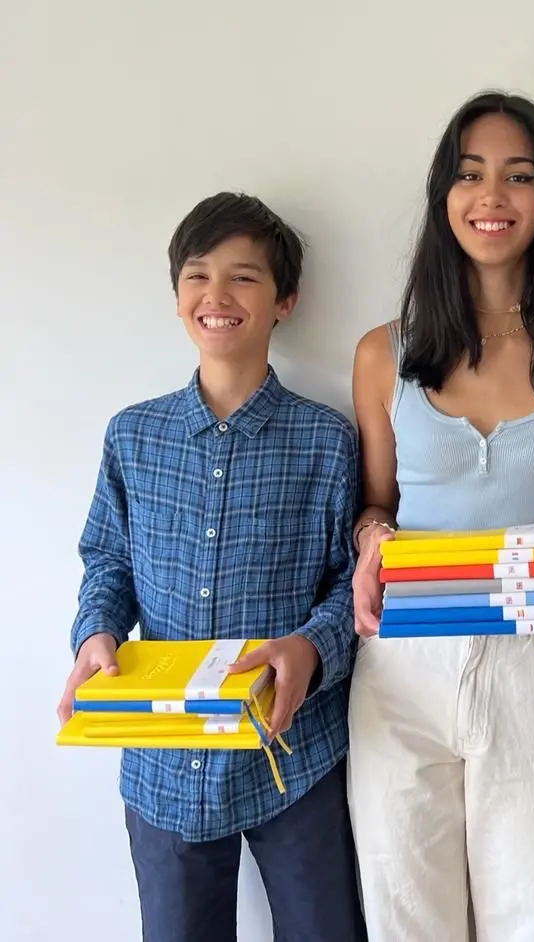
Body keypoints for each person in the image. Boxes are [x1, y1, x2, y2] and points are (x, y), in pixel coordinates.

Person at [347, 90, 534, 941]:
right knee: (405, 922)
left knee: (529, 921)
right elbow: (375, 504)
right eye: (470, 176)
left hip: (532, 660)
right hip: (399, 668)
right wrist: (370, 542)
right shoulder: (381, 353)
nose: (491, 197)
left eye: (517, 176)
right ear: (444, 197)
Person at [57, 192, 367, 942]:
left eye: (244, 278)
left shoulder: (327, 441)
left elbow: (348, 587)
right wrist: (95, 634)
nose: (217, 296)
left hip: (293, 756)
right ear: (176, 297)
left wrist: (311, 648)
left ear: (284, 301)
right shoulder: (132, 436)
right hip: (161, 759)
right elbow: (107, 560)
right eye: (197, 276)